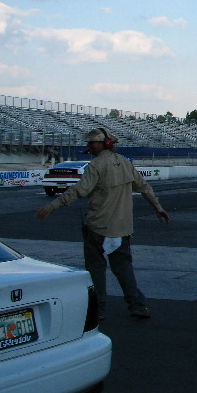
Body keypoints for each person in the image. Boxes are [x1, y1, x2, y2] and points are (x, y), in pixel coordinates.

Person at [36, 128, 170, 319]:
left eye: (92, 143)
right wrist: (157, 207)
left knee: (96, 268)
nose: (88, 146)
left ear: (102, 143)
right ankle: (137, 305)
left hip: (98, 226)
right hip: (121, 228)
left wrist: (52, 206)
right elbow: (144, 187)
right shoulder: (125, 163)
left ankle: (99, 309)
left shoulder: (96, 165)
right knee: (123, 268)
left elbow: (78, 191)